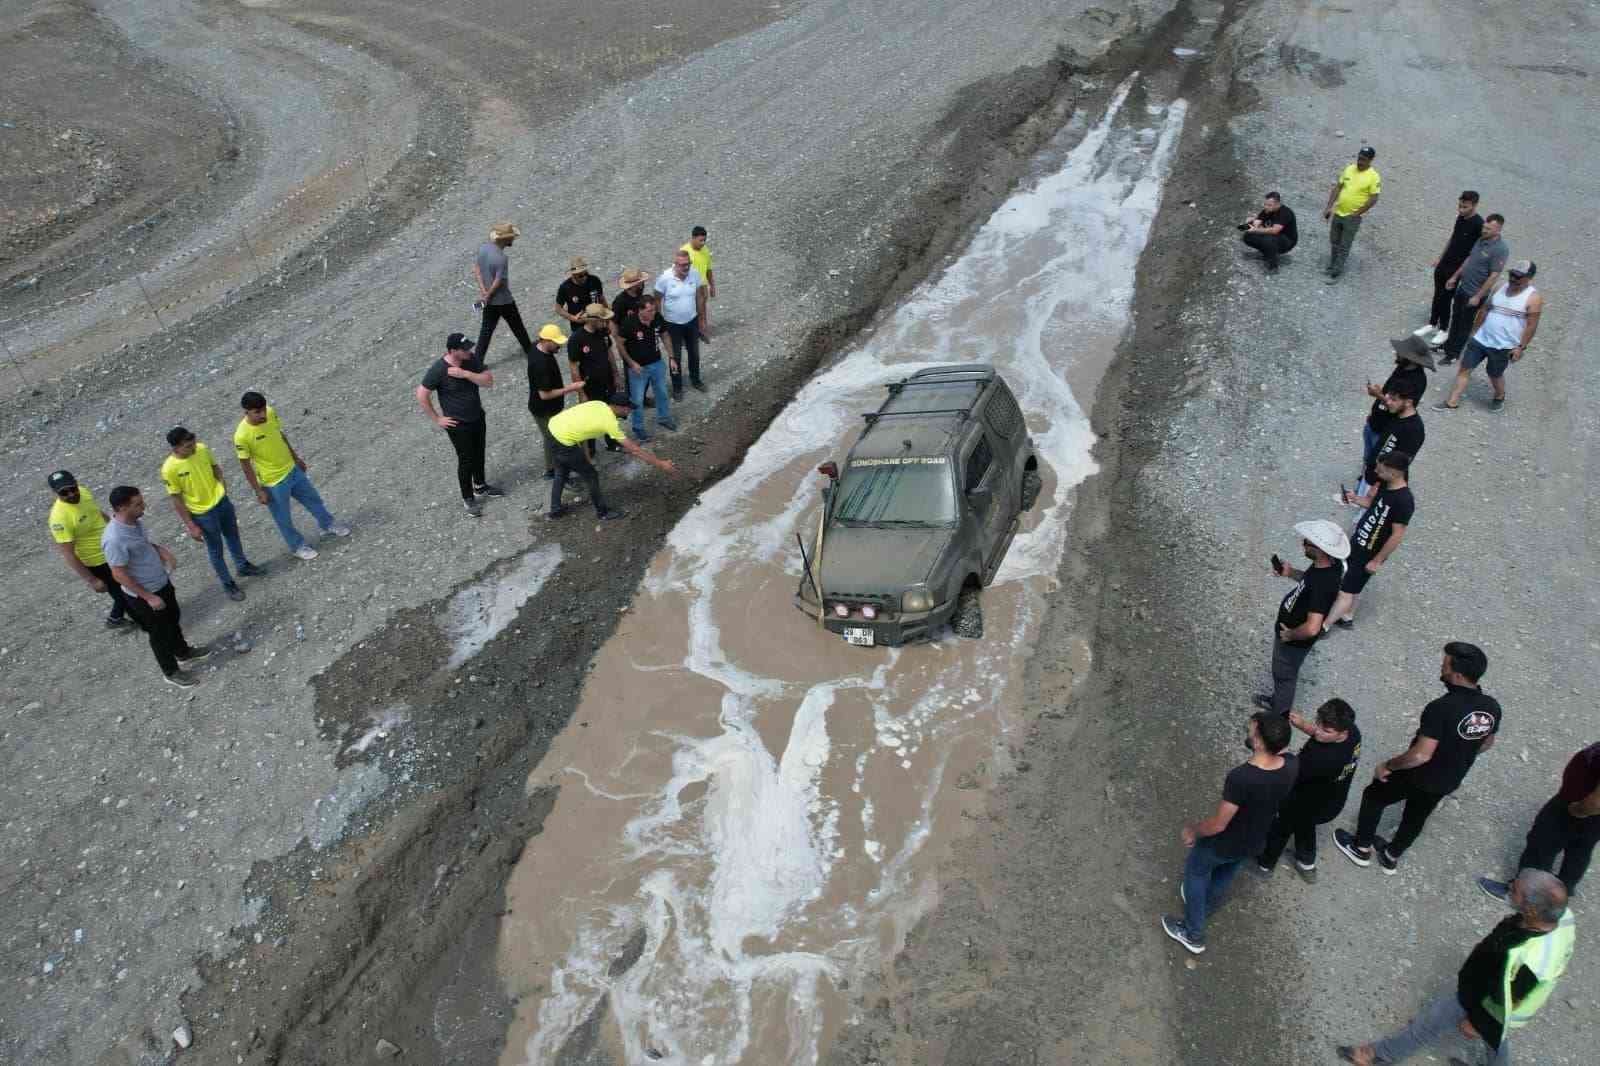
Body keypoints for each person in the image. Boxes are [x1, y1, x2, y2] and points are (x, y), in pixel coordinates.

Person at [1337, 869, 1574, 1066]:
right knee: (1497, 1040)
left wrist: (1477, 1022)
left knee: (1431, 1023)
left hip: (1487, 999)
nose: (1510, 887)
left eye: (1515, 891)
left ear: (1531, 909)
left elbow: (1508, 1000)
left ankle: (1379, 1054)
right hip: (1496, 994)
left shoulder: (1532, 960)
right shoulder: (1561, 917)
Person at [1335, 641, 1500, 874]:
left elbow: (1422, 754)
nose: (1441, 668)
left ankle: (1361, 848)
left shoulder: (1441, 708)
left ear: (1458, 675)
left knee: (1374, 796)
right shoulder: (1491, 707)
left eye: (1445, 665)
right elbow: (1487, 743)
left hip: (1419, 775)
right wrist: (1458, 755)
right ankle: (1391, 856)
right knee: (1417, 815)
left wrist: (1388, 765)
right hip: (1449, 779)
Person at [1160, 711, 1298, 954]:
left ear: (1258, 742)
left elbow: (1219, 824)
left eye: (1252, 729)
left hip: (1224, 842)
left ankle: (1194, 934)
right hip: (1255, 839)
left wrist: (1194, 831)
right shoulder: (1290, 764)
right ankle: (1206, 905)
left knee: (1196, 871)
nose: (1249, 729)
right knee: (1226, 872)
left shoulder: (1241, 778)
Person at [101, 485, 211, 688]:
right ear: (122, 508)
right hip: (145, 594)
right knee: (159, 633)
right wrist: (148, 597)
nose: (144, 506)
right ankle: (170, 672)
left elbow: (143, 544)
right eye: (138, 504)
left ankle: (183, 651)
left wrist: (161, 551)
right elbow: (118, 574)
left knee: (173, 619)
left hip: (161, 582)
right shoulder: (114, 539)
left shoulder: (135, 522)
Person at [233, 391, 350, 561]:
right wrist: (258, 491)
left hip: (292, 470)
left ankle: (328, 524)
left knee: (314, 499)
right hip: (272, 482)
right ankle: (297, 546)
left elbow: (280, 436)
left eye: (263, 409)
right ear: (246, 412)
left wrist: (296, 458)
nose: (263, 414)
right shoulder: (241, 436)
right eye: (257, 412)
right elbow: (245, 466)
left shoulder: (270, 413)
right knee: (284, 519)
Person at [1255, 698, 1361, 882]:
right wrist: (1304, 726)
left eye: (1325, 730)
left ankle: (1265, 865)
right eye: (1317, 723)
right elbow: (1322, 733)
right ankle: (1306, 863)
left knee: (1281, 828)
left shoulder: (1321, 759)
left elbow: (1289, 772)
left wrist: (1269, 752)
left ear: (1342, 733)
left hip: (1302, 801)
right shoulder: (1353, 733)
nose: (1318, 731)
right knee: (1306, 825)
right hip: (1331, 801)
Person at [1479, 742, 1600, 897]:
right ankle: (1563, 889)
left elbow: (1596, 803)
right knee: (1580, 849)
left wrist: (1578, 810)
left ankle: (1523, 895)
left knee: (1542, 845)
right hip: (1593, 819)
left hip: (1578, 809)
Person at [1254, 519, 1348, 717]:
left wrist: (1290, 635)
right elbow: (1308, 583)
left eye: (1307, 542)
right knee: (1284, 674)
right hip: (1292, 634)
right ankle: (1278, 701)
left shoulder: (1324, 581)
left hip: (1293, 640)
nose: (1303, 543)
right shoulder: (1327, 565)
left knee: (1284, 676)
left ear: (1320, 549)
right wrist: (1290, 573)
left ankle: (1278, 714)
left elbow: (1312, 628)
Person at [161, 426, 262, 601]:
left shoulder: (202, 449)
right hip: (202, 514)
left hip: (222, 502)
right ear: (175, 448)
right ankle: (228, 583)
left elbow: (215, 468)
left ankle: (242, 565)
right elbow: (176, 499)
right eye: (187, 446)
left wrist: (222, 487)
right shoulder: (169, 469)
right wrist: (191, 526)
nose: (192, 448)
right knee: (216, 550)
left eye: (192, 443)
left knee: (233, 536)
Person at [546, 397, 677, 521]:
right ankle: (602, 512)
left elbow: (582, 423)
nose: (629, 411)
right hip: (564, 442)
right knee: (591, 475)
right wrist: (661, 464)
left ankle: (555, 510)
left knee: (561, 472)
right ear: (618, 407)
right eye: (627, 408)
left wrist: (585, 453)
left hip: (553, 429)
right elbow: (635, 449)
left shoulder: (600, 404)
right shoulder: (609, 423)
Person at [1438, 260, 1543, 412]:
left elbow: (1532, 325)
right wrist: (1474, 332)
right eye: (1511, 274)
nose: (1513, 279)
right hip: (1481, 339)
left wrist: (1521, 347)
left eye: (1518, 276)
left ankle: (1500, 395)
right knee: (1465, 368)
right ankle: (1452, 402)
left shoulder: (1533, 298)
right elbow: (1485, 310)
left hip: (1504, 345)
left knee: (1494, 374)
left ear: (1529, 278)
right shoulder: (1499, 287)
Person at [416, 331, 498, 517]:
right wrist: (438, 419)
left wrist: (465, 374)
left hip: (477, 416)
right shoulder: (439, 369)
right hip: (458, 425)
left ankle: (480, 486)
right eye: (465, 348)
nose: (469, 350)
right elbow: (421, 394)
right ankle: (468, 498)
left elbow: (488, 381)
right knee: (466, 459)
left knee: (479, 452)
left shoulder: (470, 360)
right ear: (453, 351)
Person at [1328, 451, 1413, 630]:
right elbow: (1372, 505)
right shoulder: (1385, 484)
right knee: (1352, 583)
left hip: (1370, 551)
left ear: (1394, 472)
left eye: (1380, 470)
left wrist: (1377, 560)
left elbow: (1397, 534)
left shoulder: (1405, 501)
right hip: (1359, 541)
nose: (1376, 472)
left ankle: (1325, 625)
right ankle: (1346, 615)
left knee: (1347, 589)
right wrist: (1355, 499)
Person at [46, 470, 136, 628]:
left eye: (73, 488)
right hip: (98, 562)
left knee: (129, 586)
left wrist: (117, 527)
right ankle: (145, 623)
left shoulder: (84, 493)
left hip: (113, 549)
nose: (71, 494)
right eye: (64, 493)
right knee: (124, 593)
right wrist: (92, 580)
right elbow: (68, 553)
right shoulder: (59, 519)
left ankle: (116, 618)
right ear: (55, 493)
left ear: (76, 482)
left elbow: (96, 513)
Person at [1438, 214, 1508, 364]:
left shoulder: (1500, 249)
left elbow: (1494, 275)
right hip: (1463, 288)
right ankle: (1448, 345)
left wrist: (1478, 296)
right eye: (1484, 227)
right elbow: (1469, 259)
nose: (1484, 230)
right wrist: (1455, 277)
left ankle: (1454, 354)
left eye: (1488, 228)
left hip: (1474, 294)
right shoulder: (1481, 239)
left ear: (1498, 229)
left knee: (1465, 324)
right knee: (1456, 318)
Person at [1359, 336, 1433, 479]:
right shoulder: (1402, 367)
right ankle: (1364, 476)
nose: (1397, 354)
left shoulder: (1416, 381)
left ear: (1410, 358)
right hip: (1374, 423)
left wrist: (1378, 395)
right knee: (1368, 457)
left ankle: (1369, 484)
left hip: (1384, 431)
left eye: (1400, 353)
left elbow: (1400, 407)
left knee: (1378, 464)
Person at [1416, 191, 1483, 346]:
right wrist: (1440, 257)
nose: (1461, 209)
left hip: (1457, 267)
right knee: (1437, 294)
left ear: (1474, 205)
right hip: (1445, 262)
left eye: (1465, 207)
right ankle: (1432, 323)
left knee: (1446, 297)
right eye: (1460, 205)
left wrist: (1456, 275)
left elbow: (1472, 254)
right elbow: (1453, 238)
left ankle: (1444, 329)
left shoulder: (1478, 224)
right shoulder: (1460, 218)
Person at [527, 323, 585, 480]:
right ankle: (558, 472)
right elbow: (544, 395)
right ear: (545, 340)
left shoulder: (535, 347)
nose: (559, 345)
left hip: (548, 407)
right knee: (555, 438)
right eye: (556, 342)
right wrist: (571, 388)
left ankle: (551, 469)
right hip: (544, 409)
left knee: (550, 437)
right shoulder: (541, 364)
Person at [473, 222, 534, 364]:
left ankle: (477, 362)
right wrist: (488, 295)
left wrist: (484, 293)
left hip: (489, 302)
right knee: (518, 327)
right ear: (505, 239)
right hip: (504, 300)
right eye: (511, 237)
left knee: (486, 331)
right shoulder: (501, 258)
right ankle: (530, 352)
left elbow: (477, 270)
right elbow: (498, 281)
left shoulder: (483, 249)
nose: (513, 239)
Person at [621, 295, 679, 440]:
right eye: (649, 311)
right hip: (638, 368)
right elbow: (620, 344)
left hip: (656, 363)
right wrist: (631, 363)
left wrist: (672, 357)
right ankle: (638, 428)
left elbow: (665, 335)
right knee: (637, 399)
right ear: (640, 310)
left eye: (654, 310)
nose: (653, 313)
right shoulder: (629, 323)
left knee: (662, 392)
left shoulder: (657, 318)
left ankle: (664, 418)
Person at [567, 304, 623, 455]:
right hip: (590, 386)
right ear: (592, 320)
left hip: (608, 381)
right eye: (602, 320)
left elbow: (609, 352)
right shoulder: (576, 339)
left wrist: (616, 374)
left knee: (610, 412)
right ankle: (590, 448)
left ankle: (612, 441)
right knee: (590, 418)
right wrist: (581, 392)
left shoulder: (603, 332)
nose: (605, 323)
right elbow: (574, 366)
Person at [1353, 379, 1423, 499]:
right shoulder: (1396, 414)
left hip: (1380, 486)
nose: (1388, 402)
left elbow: (1400, 465)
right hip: (1371, 476)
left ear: (1408, 402)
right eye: (1388, 398)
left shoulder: (1414, 430)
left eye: (1393, 400)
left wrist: (1377, 485)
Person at [654, 249, 708, 397]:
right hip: (672, 324)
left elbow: (698, 296)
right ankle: (677, 387)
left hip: (692, 321)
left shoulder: (694, 274)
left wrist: (702, 319)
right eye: (683, 265)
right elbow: (657, 300)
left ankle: (695, 379)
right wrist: (659, 324)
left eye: (688, 264)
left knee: (694, 353)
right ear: (675, 264)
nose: (686, 267)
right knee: (675, 357)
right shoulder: (665, 278)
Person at [1322, 146, 1381, 281]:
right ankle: (1332, 265)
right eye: (1359, 158)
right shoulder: (1349, 169)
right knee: (1334, 241)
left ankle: (1336, 272)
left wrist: (1358, 213)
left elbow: (1374, 198)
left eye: (1364, 160)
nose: (1360, 161)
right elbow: (1338, 187)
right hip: (1338, 213)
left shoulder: (1373, 177)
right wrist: (1329, 207)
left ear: (1371, 160)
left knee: (1344, 245)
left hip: (1352, 217)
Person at [1240, 191, 1298, 273]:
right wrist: (1248, 223)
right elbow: (1257, 222)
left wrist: (1256, 229)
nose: (1266, 207)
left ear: (1277, 204)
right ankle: (1266, 255)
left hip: (1288, 241)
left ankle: (1273, 267)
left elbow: (1275, 230)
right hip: (1275, 238)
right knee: (1247, 236)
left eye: (1269, 205)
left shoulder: (1285, 212)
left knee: (1268, 239)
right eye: (1265, 204)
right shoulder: (1267, 210)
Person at [556, 256, 606, 334]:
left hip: (597, 321)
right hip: (579, 326)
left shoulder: (594, 280)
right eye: (580, 276)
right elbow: (558, 308)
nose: (584, 277)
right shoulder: (565, 287)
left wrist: (607, 316)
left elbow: (601, 298)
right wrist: (573, 318)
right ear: (573, 275)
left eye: (585, 273)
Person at [681, 225, 716, 324]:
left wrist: (712, 286)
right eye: (700, 240)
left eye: (704, 240)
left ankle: (702, 330)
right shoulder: (684, 251)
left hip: (702, 286)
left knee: (702, 310)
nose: (703, 243)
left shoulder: (705, 250)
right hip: (689, 287)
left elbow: (708, 269)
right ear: (693, 238)